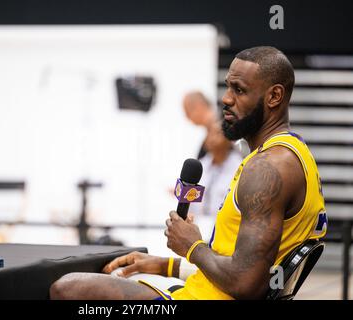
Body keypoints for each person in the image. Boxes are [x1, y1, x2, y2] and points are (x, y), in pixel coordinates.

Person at [49, 46, 328, 300]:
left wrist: (192, 246)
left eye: (239, 90)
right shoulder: (290, 153)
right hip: (201, 289)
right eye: (227, 87)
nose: (226, 99)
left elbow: (246, 283)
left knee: (67, 288)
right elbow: (240, 262)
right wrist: (166, 264)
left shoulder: (268, 167)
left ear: (274, 96)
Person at [189, 120, 243, 243]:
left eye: (217, 133)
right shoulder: (200, 165)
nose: (212, 138)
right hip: (198, 232)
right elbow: (191, 203)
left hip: (226, 234)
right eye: (209, 133)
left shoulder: (240, 168)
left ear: (230, 140)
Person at [182, 91, 215, 159]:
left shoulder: (228, 124)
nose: (187, 117)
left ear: (199, 105)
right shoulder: (206, 143)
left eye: (188, 111)